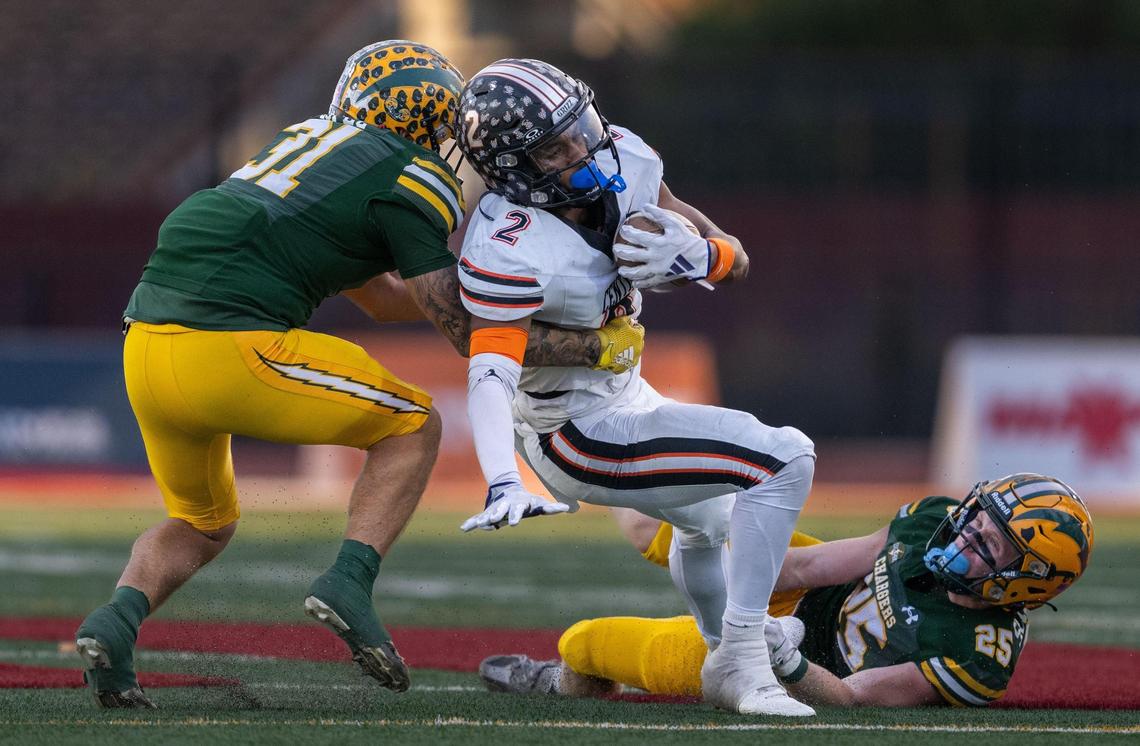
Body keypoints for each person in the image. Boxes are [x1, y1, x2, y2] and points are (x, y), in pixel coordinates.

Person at [73, 41, 644, 709]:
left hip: (144, 348)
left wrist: (493, 299)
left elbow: (382, 296)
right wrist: (596, 347)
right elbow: (465, 332)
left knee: (202, 522)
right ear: (425, 120)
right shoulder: (412, 175)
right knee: (412, 427)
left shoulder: (305, 141)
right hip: (230, 345)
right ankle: (349, 581)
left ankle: (114, 626)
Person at [453, 58, 816, 716]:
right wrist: (502, 477)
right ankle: (741, 654)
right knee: (784, 457)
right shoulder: (508, 242)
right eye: (554, 146)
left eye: (580, 126)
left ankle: (724, 653)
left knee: (707, 523)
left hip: (629, 396)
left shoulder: (623, 153)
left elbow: (725, 248)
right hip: (572, 432)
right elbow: (490, 368)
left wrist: (709, 257)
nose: (583, 147)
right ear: (514, 169)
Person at [478, 473, 1095, 708]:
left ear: (1029, 584)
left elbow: (851, 699)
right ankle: (583, 463)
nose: (966, 536)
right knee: (673, 517)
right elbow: (811, 567)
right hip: (808, 599)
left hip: (798, 668)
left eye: (992, 544)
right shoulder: (932, 520)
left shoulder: (975, 653)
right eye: (977, 518)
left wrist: (777, 652)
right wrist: (739, 579)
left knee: (587, 641)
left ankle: (558, 680)